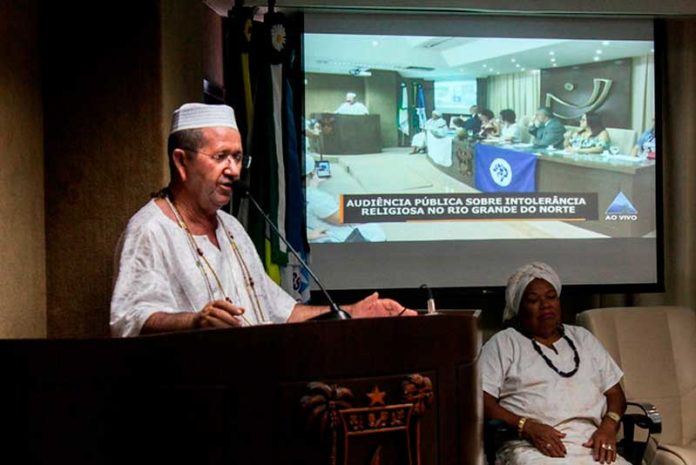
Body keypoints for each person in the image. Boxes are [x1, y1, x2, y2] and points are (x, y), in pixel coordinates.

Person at [110, 103, 415, 337]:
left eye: (238, 157)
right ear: (181, 161)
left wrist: (352, 311)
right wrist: (194, 321)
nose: (234, 170)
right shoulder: (151, 229)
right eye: (221, 157)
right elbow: (129, 319)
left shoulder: (231, 227)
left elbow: (281, 311)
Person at [481, 262, 629, 465]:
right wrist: (526, 426)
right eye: (533, 300)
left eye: (551, 297)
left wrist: (609, 426)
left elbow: (615, 394)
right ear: (519, 307)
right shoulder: (504, 343)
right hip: (531, 447)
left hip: (592, 444)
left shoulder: (583, 338)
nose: (545, 305)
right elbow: (482, 400)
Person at [305, 157, 385, 243]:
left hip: (317, 233)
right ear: (312, 173)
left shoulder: (298, 192)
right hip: (334, 239)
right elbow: (340, 219)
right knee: (374, 230)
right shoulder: (314, 196)